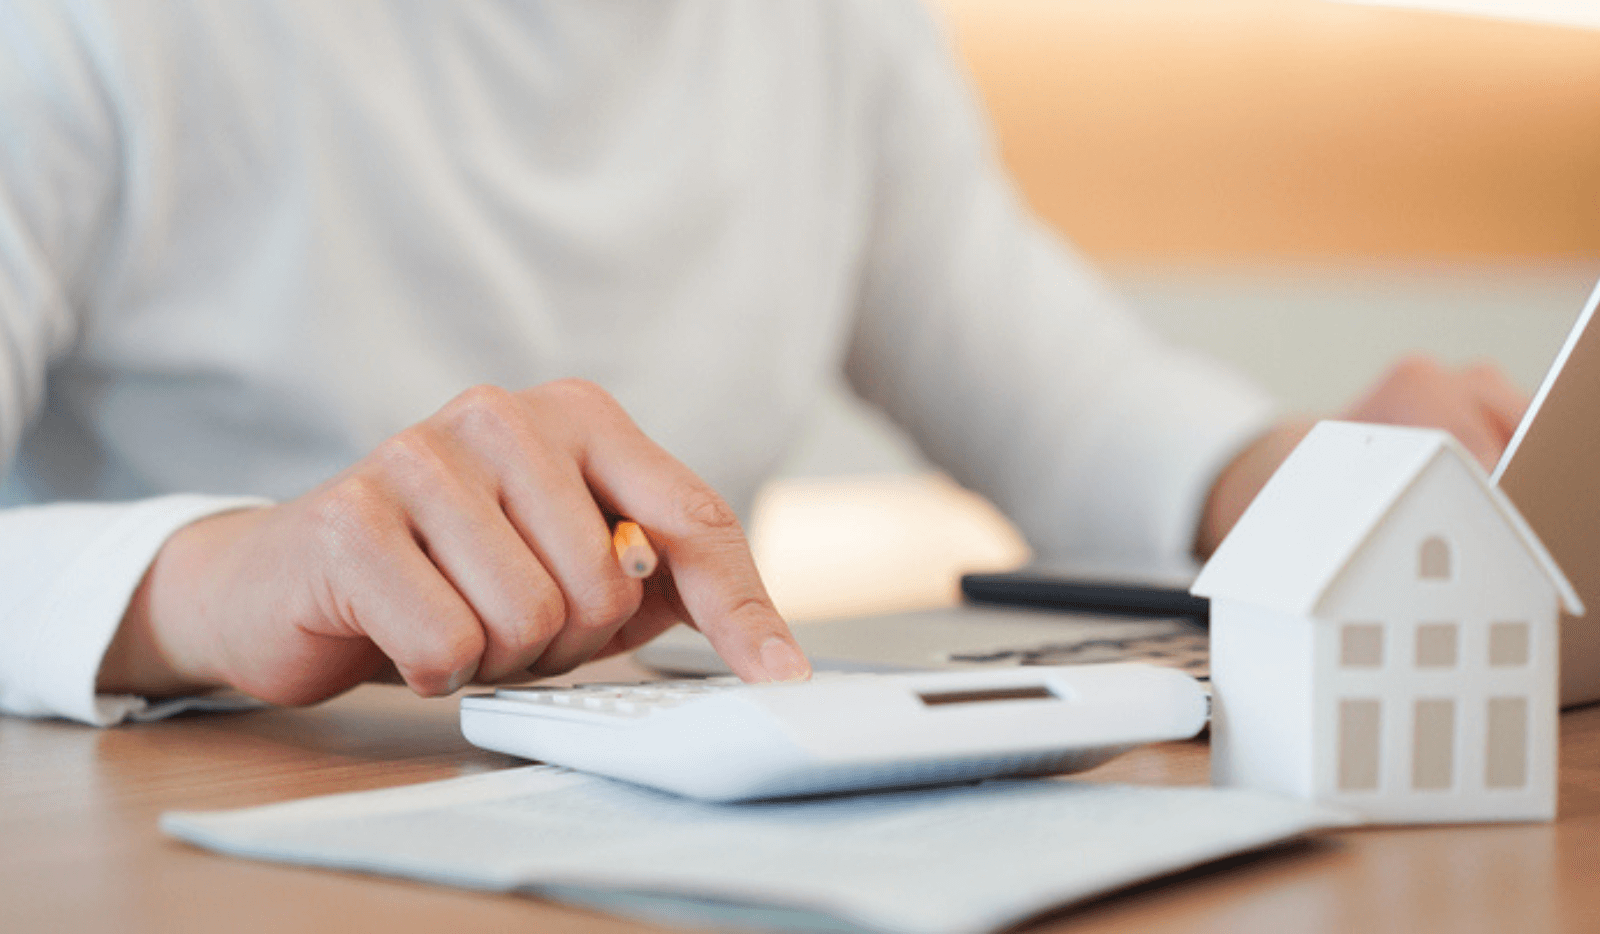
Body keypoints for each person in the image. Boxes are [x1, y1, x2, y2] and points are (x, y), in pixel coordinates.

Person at [0, 1, 1526, 725]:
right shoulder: (92, 35)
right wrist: (216, 578)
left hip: (671, 842)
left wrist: (1334, 484)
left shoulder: (826, 32)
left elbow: (1076, 402)